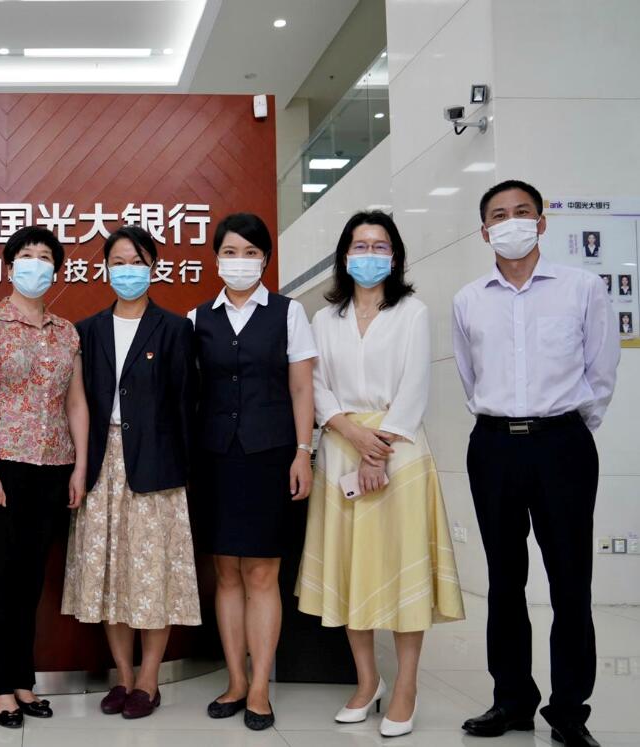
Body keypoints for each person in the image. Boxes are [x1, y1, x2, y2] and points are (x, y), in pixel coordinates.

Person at [454, 180, 618, 747]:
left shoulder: (581, 287)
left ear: (542, 222)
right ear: (484, 232)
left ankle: (569, 710)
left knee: (571, 580)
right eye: (499, 215)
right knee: (504, 580)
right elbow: (469, 376)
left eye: (522, 212)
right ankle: (512, 700)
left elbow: (601, 371)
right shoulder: (469, 299)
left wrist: (568, 428)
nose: (512, 222)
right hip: (494, 445)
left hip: (562, 445)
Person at [295, 211, 465, 738]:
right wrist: (352, 434)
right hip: (343, 447)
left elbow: (415, 385)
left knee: (402, 568)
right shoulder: (325, 319)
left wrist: (378, 449)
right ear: (344, 255)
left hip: (399, 451)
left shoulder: (412, 311)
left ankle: (406, 686)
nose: (369, 254)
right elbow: (316, 386)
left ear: (395, 256)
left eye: (379, 245)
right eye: (360, 245)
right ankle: (367, 682)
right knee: (354, 569)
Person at [62, 225, 200, 719]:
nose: (128, 271)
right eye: (118, 262)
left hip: (156, 466)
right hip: (101, 463)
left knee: (152, 576)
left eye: (137, 262)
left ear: (153, 268)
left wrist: (185, 470)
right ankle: (122, 676)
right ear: (105, 269)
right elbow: (76, 402)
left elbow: (186, 404)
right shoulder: (87, 330)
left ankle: (149, 679)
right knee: (111, 576)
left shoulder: (175, 329)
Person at [187, 212, 316, 731]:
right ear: (216, 259)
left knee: (262, 572)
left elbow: (302, 388)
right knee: (225, 572)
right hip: (215, 458)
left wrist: (303, 451)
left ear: (265, 259)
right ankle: (235, 680)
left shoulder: (289, 312)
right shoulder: (198, 318)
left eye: (250, 253)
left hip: (271, 455)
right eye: (230, 252)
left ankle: (260, 685)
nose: (239, 261)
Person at [0, 226, 88, 729]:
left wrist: (80, 466)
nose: (36, 264)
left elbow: (75, 403)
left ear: (56, 270)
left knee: (30, 580)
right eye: (26, 256)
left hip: (52, 467)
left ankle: (21, 678)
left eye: (45, 257)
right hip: (2, 466)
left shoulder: (66, 332)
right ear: (10, 267)